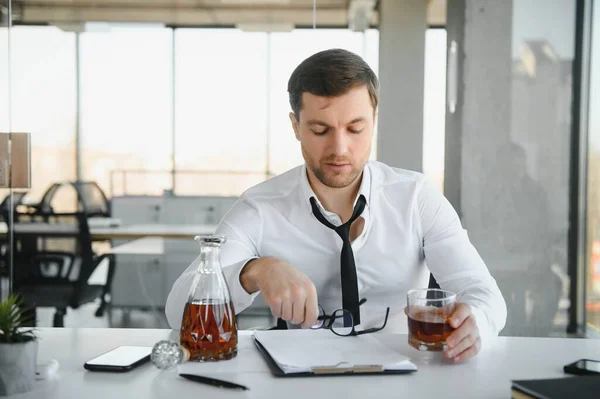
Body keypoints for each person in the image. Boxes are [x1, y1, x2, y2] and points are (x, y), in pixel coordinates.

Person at [166, 48, 507, 363]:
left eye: (356, 128)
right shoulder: (260, 207)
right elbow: (177, 310)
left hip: (403, 377)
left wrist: (475, 320)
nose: (340, 148)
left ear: (374, 119)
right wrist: (255, 270)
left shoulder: (416, 197)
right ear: (295, 126)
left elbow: (483, 294)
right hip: (295, 379)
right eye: (320, 130)